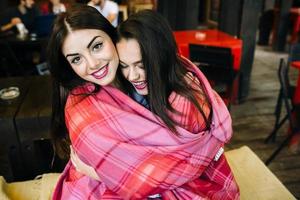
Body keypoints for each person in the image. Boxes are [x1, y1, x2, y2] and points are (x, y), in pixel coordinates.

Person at [65, 8, 239, 200]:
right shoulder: (101, 91)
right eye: (124, 66)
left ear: (161, 58)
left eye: (142, 65)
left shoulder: (186, 103)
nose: (132, 75)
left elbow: (170, 172)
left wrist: (98, 173)